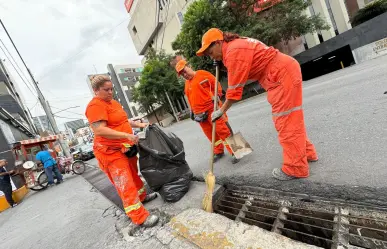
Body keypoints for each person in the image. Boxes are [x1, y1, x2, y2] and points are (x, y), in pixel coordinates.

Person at [196, 28, 318, 180]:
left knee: (285, 122)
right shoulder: (233, 48)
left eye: (210, 51)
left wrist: (220, 109)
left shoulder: (212, 66)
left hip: (276, 77)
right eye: (180, 72)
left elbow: (230, 90)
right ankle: (307, 153)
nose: (210, 56)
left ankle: (295, 167)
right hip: (202, 115)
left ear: (219, 42)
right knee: (291, 120)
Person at [85, 75, 159, 228]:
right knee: (125, 184)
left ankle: (142, 197)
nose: (110, 92)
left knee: (133, 175)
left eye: (112, 89)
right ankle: (139, 217)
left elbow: (123, 121)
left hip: (124, 148)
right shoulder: (95, 106)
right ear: (96, 90)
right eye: (106, 90)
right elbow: (100, 130)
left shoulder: (113, 103)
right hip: (110, 152)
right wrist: (126, 135)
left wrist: (141, 124)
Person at [175, 59, 239, 164]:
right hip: (200, 115)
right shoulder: (187, 84)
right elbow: (190, 97)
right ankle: (219, 151)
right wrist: (192, 110)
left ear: (189, 66)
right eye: (182, 74)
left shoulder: (202, 74)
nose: (184, 74)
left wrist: (218, 94)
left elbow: (215, 83)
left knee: (223, 130)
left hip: (212, 109)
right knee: (211, 135)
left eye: (184, 71)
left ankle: (237, 150)